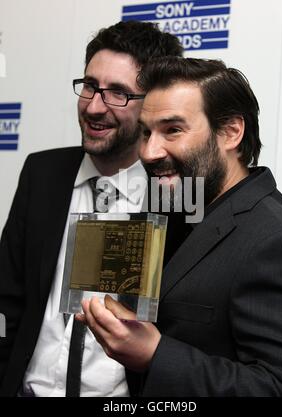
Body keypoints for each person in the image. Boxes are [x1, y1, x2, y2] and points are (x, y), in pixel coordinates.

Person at [79, 57, 282, 396]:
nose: (150, 152)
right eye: (145, 133)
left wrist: (156, 355)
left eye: (173, 130)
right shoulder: (180, 207)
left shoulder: (277, 240)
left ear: (230, 132)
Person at [0, 22, 183, 397]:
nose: (94, 107)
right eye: (89, 86)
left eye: (118, 93)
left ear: (153, 104)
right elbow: (8, 297)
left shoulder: (176, 195)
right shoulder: (43, 173)